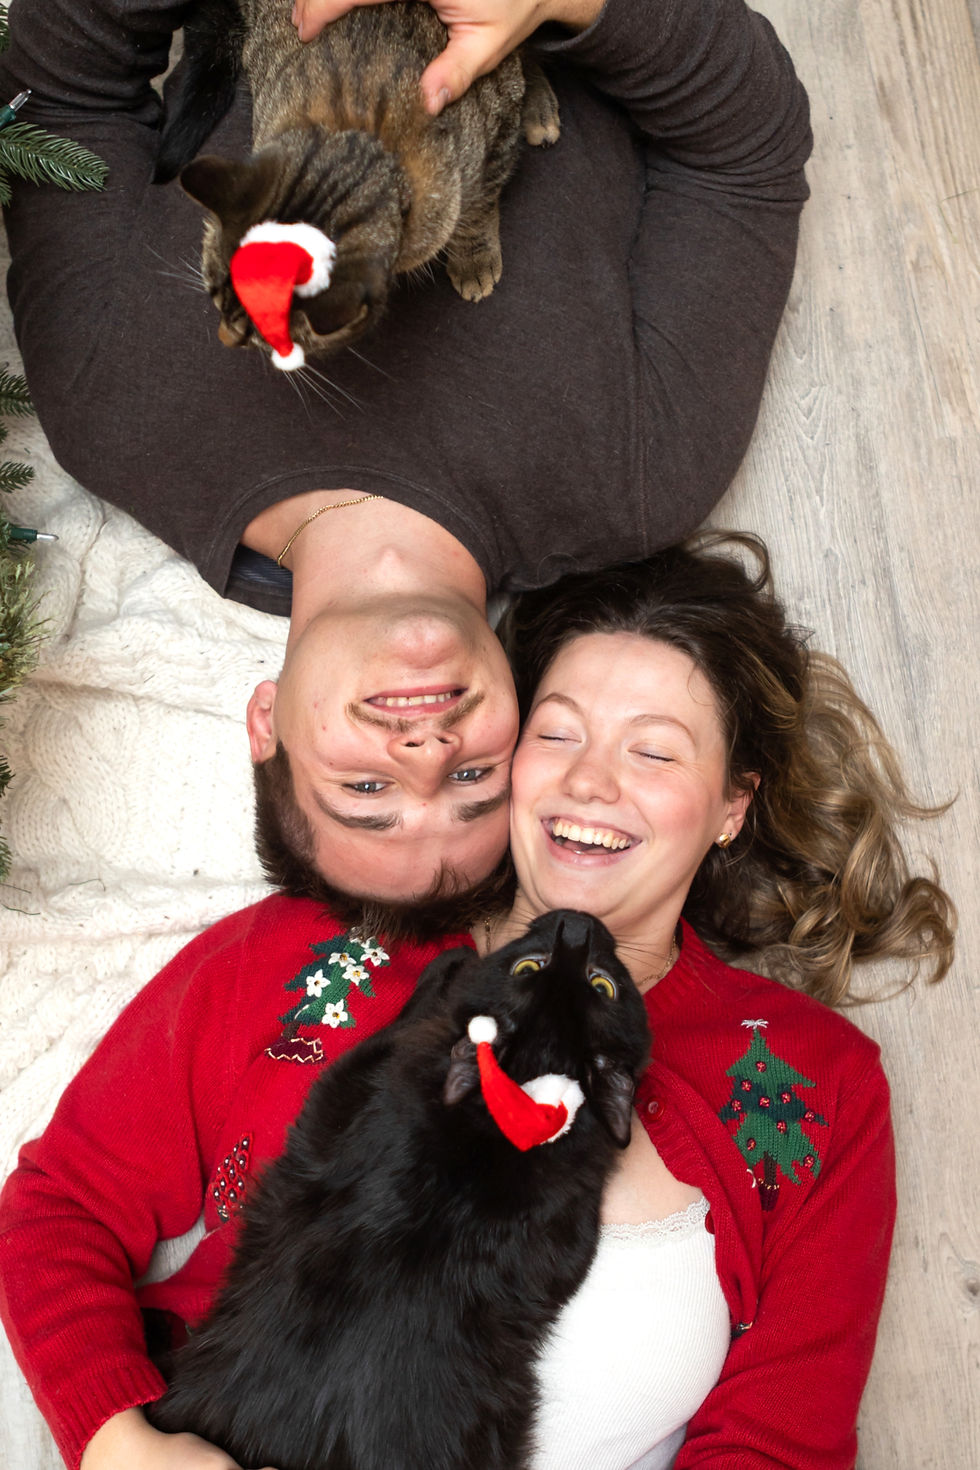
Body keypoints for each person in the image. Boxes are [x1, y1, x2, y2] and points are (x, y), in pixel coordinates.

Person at [0, 535, 954, 1469]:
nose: (591, 781)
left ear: (733, 805)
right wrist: (122, 1444)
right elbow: (61, 1207)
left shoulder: (815, 1085)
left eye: (655, 754)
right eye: (558, 731)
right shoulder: (307, 953)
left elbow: (783, 1441)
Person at [0, 0, 812, 908]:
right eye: (477, 788)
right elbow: (747, 152)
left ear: (266, 725)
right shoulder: (635, 482)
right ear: (531, 732)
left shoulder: (112, 419)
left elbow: (58, 97)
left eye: (366, 795)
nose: (428, 756)